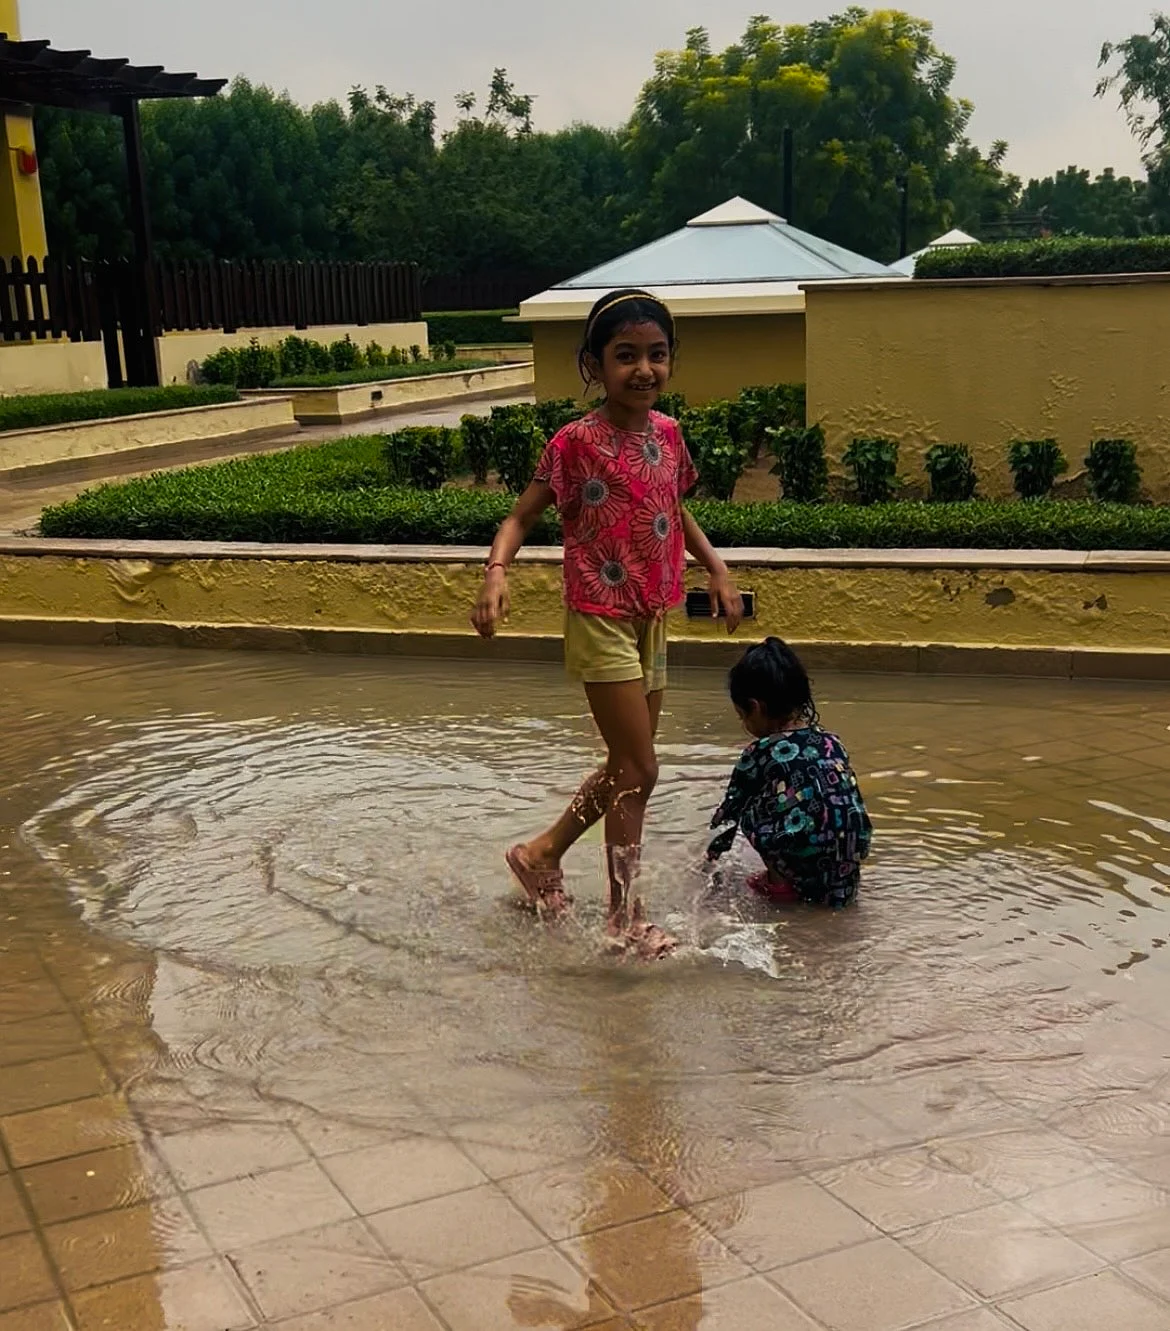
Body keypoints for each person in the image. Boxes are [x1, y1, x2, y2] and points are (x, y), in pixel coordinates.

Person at [471, 287, 743, 957]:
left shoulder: (669, 435)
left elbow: (673, 507)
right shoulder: (575, 443)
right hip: (599, 615)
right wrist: (497, 573)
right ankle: (625, 915)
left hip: (654, 613)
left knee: (628, 766)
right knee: (640, 766)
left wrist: (716, 567)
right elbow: (519, 516)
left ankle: (541, 854)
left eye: (656, 354)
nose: (644, 369)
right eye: (626, 355)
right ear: (594, 364)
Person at [707, 638, 871, 909]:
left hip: (801, 873)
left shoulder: (760, 752)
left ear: (755, 707)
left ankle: (780, 882)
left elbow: (730, 813)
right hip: (846, 872)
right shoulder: (832, 743)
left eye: (742, 716)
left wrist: (710, 859)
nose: (744, 724)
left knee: (749, 808)